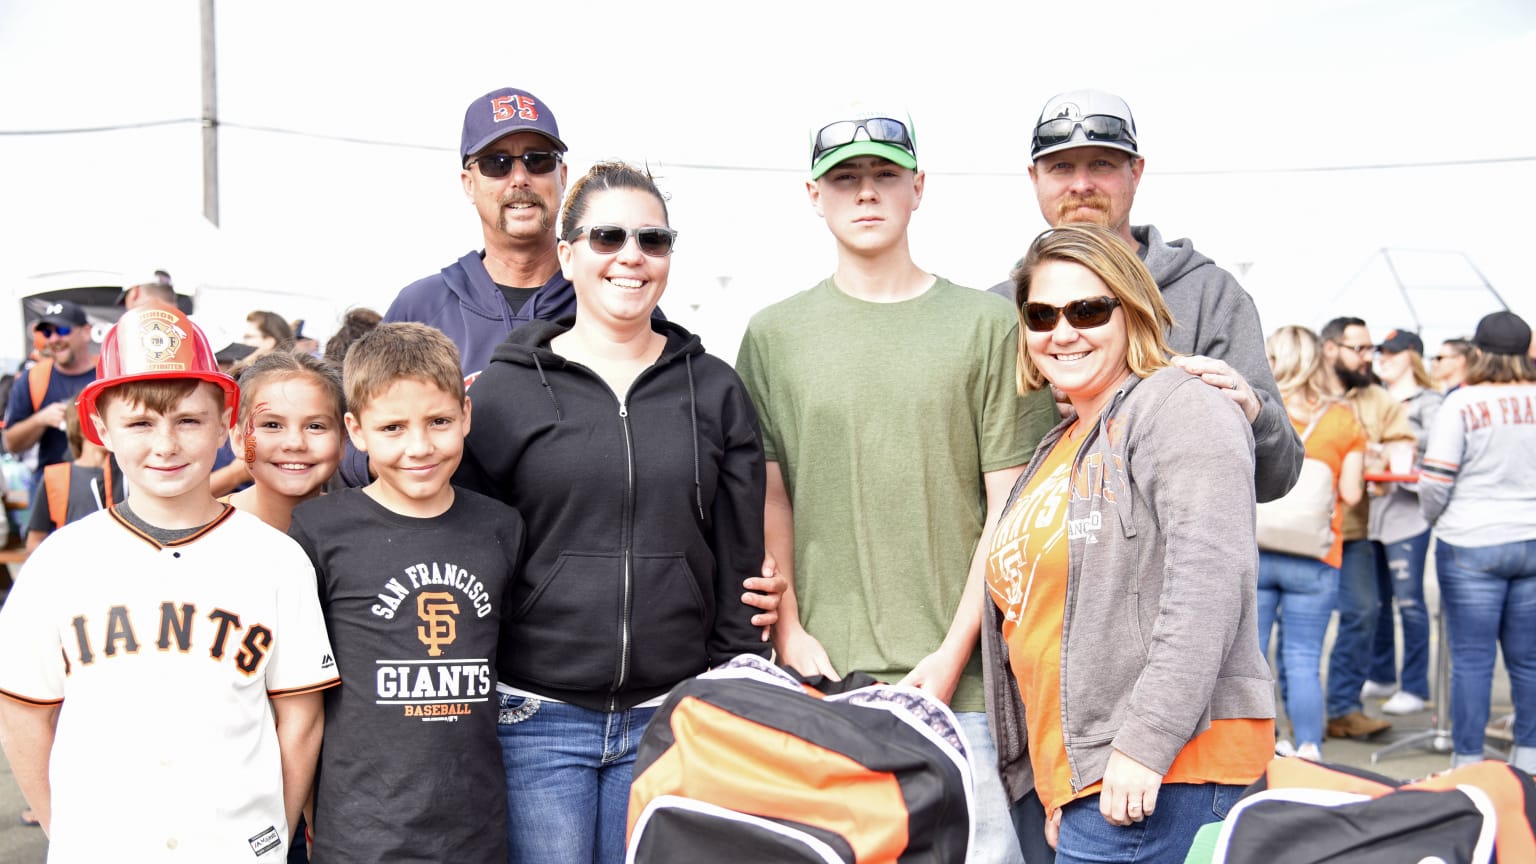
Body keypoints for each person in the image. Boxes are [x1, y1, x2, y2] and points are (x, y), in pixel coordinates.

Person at [736, 106, 1057, 864]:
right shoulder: (772, 335)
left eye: (884, 175)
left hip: (965, 691)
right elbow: (770, 495)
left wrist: (950, 658)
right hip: (824, 680)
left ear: (919, 187)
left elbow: (1010, 508)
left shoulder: (989, 326)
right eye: (845, 179)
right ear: (814, 196)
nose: (866, 193)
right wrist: (790, 633)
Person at [456, 162, 771, 863]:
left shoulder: (714, 390)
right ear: (567, 255)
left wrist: (729, 693)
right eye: (608, 236)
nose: (631, 255)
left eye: (652, 240)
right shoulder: (505, 393)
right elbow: (473, 554)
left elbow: (740, 561)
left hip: (672, 713)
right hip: (536, 715)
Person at [0, 303, 337, 860]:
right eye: (139, 422)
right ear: (100, 427)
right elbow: (24, 713)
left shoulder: (276, 559)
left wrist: (270, 832)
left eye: (188, 419)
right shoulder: (60, 562)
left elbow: (299, 719)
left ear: (227, 422)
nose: (166, 444)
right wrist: (67, 833)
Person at [983, 224, 1273, 863]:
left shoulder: (1179, 406)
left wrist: (1144, 745)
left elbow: (1207, 587)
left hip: (1167, 774)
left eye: (1087, 309)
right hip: (1097, 781)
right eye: (1041, 313)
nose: (1063, 331)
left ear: (1133, 309)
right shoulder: (1059, 444)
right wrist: (1063, 784)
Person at [992, 89, 1302, 506]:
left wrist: (1250, 412)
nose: (1081, 185)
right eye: (1061, 167)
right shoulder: (998, 309)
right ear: (1035, 179)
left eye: (1101, 164)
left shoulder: (1210, 295)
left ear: (1136, 172)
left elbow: (1278, 475)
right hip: (1033, 563)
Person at [291, 322, 523, 863]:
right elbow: (297, 694)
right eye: (392, 427)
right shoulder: (319, 531)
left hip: (475, 830)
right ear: (356, 429)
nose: (419, 447)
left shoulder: (502, 528)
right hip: (360, 834)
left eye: (439, 421)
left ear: (466, 414)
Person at [383, 86, 576, 379]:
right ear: (468, 183)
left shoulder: (610, 299)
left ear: (562, 176)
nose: (520, 179)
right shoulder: (419, 310)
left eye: (538, 160)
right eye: (496, 164)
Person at [1420, 310, 1536, 773]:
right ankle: (1528, 757)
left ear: (1479, 353)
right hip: (1530, 536)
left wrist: (1437, 519)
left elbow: (1435, 480)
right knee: (1528, 660)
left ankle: (1468, 761)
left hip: (1470, 540)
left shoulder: (1462, 403)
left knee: (1471, 659)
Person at [1257, 325, 1365, 761]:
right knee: (1303, 656)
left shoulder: (1257, 411)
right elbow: (1354, 493)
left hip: (1257, 549)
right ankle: (1308, 747)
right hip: (1317, 556)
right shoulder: (1343, 418)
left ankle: (1262, 748)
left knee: (1253, 657)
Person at [1317, 316, 1415, 741]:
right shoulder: (1303, 390)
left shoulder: (1378, 397)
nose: (1367, 357)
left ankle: (1343, 709)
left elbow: (1403, 446)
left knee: (1362, 613)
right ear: (1329, 348)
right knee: (1289, 625)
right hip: (1296, 533)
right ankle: (1282, 717)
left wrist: (1376, 452)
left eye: (1369, 349)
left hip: (1353, 530)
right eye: (1358, 348)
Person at [1360, 329, 1443, 717]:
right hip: (1372, 514)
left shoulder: (1431, 401)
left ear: (1412, 355)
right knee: (1376, 601)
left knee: (1409, 602)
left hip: (1407, 516)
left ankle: (1414, 684)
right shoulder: (1372, 395)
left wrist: (1394, 445)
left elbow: (1437, 447)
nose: (1383, 359)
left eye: (1391, 353)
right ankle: (1381, 672)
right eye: (1381, 352)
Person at [225, 352, 346, 532]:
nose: (295, 443)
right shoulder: (203, 532)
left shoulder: (364, 531)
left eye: (315, 426)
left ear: (342, 441)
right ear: (239, 440)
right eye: (272, 425)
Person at [3, 300, 98, 473]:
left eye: (63, 330)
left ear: (85, 332)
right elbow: (11, 444)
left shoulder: (106, 373)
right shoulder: (32, 378)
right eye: (47, 333)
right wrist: (41, 419)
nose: (54, 339)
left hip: (105, 481)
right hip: (52, 486)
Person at [24, 404, 125, 552]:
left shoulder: (130, 473)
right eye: (102, 420)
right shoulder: (56, 477)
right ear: (82, 427)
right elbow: (34, 541)